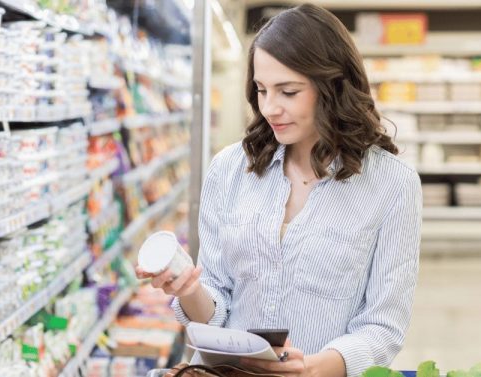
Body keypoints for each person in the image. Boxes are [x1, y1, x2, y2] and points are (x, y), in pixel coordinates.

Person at [136, 4, 422, 377]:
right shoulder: (229, 169)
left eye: (288, 91)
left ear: (332, 87)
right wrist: (188, 289)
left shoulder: (393, 185)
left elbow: (383, 327)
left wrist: (318, 367)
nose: (270, 108)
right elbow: (215, 305)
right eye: (261, 90)